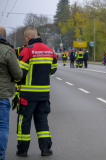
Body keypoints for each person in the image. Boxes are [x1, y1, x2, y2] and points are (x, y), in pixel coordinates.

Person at [16, 27, 57, 157]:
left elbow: (20, 72)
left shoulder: (27, 50)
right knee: (42, 122)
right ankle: (45, 149)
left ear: (28, 37)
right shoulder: (50, 51)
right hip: (44, 94)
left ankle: (22, 150)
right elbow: (53, 69)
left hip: (27, 95)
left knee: (24, 122)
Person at [0, 25, 23, 160]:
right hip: (2, 95)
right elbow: (18, 74)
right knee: (2, 126)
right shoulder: (7, 51)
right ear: (5, 35)